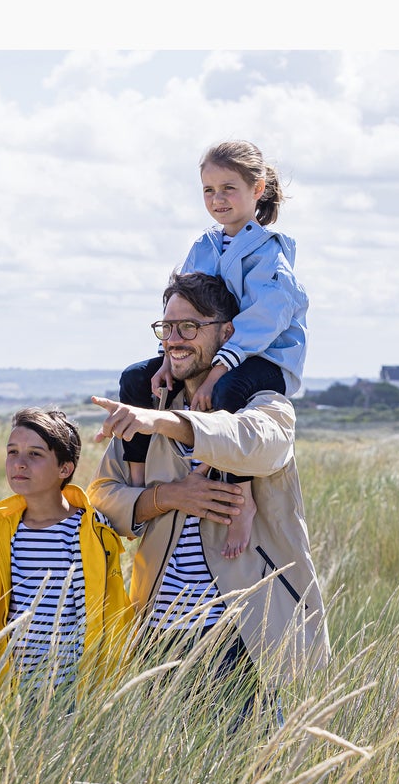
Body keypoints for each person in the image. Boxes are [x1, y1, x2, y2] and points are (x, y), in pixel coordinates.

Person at [90, 273, 329, 724]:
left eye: (189, 327)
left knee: (253, 775)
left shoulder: (266, 404)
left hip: (239, 635)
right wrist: (167, 496)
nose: (174, 341)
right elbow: (102, 497)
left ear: (227, 331)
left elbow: (255, 442)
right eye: (167, 328)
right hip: (156, 634)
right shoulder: (150, 405)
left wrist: (167, 424)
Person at [120, 140, 309, 560]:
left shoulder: (270, 253)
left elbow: (268, 318)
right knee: (135, 378)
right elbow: (182, 303)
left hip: (264, 357)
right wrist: (170, 359)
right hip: (213, 353)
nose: (217, 199)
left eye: (228, 188)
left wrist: (219, 367)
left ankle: (240, 498)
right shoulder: (204, 246)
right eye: (208, 190)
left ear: (257, 189)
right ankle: (138, 479)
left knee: (226, 395)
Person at [0, 408, 133, 703]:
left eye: (35, 454)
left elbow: (105, 612)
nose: (19, 463)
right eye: (12, 452)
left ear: (64, 468)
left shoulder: (88, 531)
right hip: (13, 690)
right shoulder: (2, 530)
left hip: (74, 688)